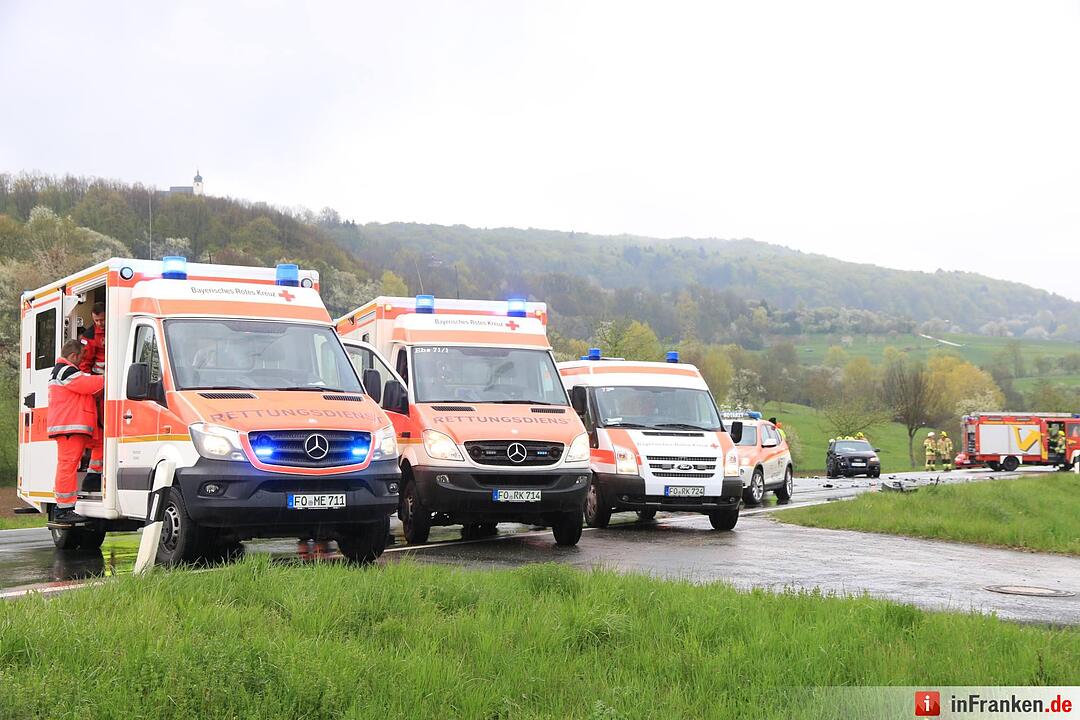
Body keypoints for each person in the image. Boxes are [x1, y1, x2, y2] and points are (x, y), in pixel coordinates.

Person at [48, 340, 105, 525]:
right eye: (81, 357)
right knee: (67, 466)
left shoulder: (62, 371)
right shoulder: (65, 370)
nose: (82, 361)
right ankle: (63, 509)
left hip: (75, 427)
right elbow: (88, 385)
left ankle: (93, 477)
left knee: (99, 445)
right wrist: (109, 377)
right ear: (73, 356)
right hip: (70, 427)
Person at [78, 302, 106, 483]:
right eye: (97, 320)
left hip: (109, 382)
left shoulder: (115, 326)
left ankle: (96, 471)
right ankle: (93, 473)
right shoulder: (89, 337)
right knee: (101, 426)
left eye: (102, 320)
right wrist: (91, 385)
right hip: (99, 385)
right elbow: (84, 364)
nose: (100, 324)